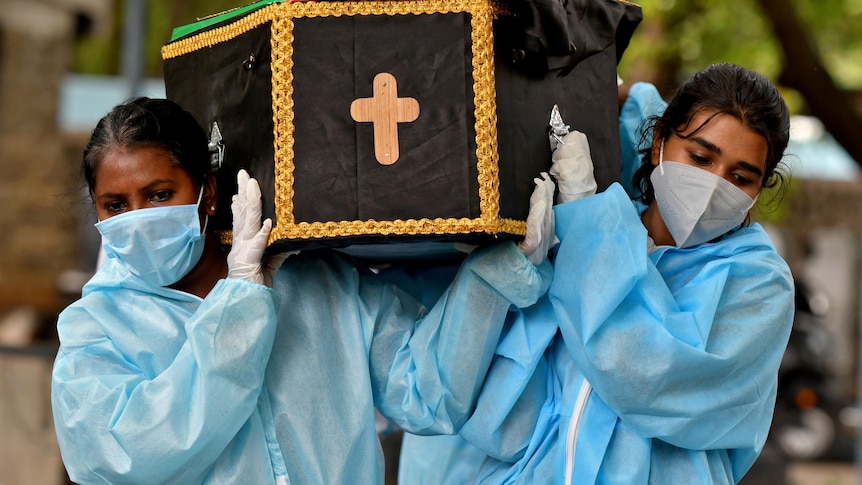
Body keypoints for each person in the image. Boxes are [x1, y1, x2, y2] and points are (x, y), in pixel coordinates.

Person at [50, 97, 557, 484]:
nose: (139, 220)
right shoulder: (94, 327)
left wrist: (496, 274)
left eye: (160, 195)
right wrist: (242, 299)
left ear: (206, 192)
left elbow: (428, 394)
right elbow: (126, 458)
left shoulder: (316, 280)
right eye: (115, 205)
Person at [398, 62, 795, 484]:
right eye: (699, 157)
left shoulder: (759, 282)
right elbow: (492, 400)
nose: (714, 185)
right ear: (659, 140)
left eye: (740, 177)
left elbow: (650, 376)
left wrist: (588, 222)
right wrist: (512, 271)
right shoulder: (575, 236)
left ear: (759, 188)